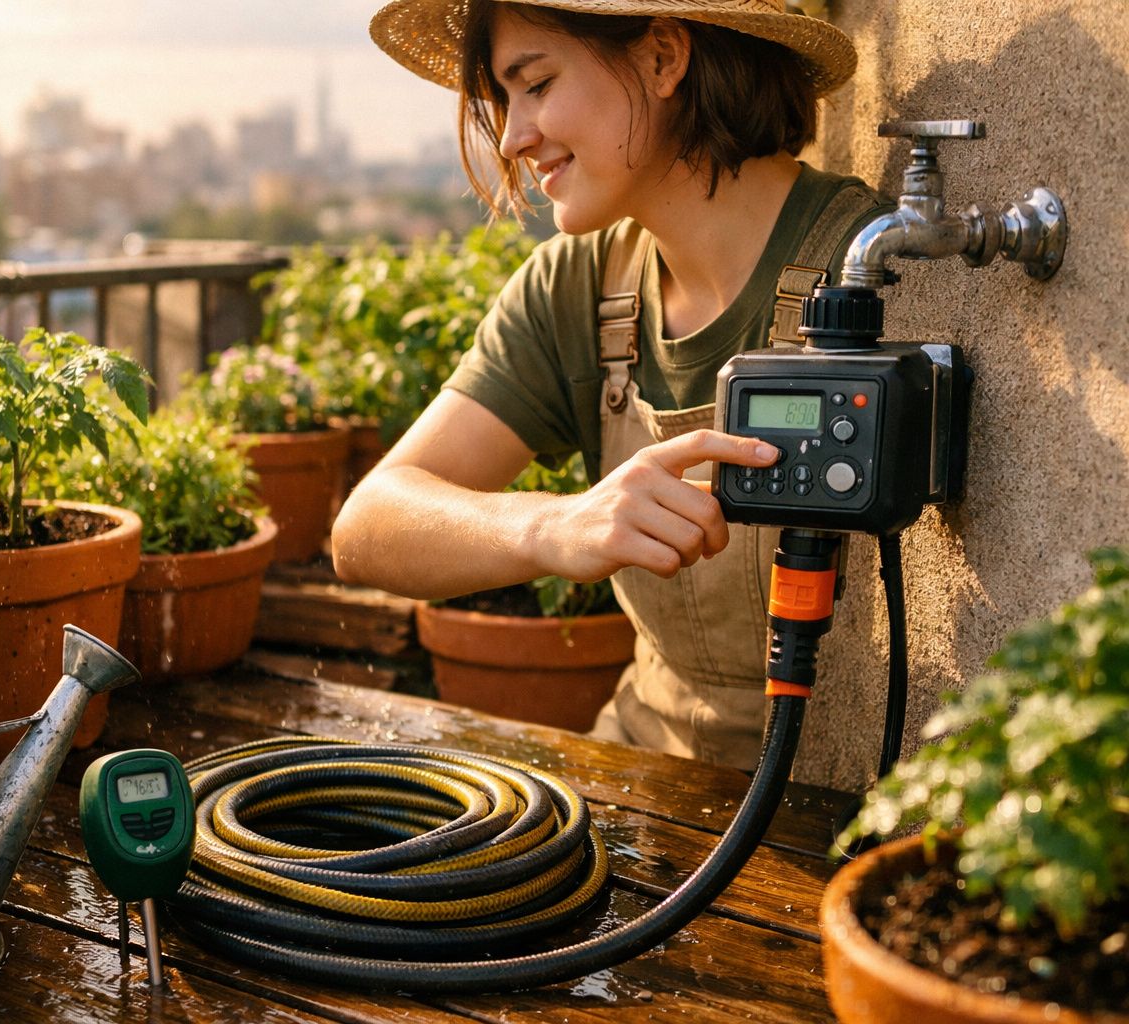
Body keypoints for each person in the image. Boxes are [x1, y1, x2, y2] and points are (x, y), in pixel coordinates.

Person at [332, 0, 889, 770]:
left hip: (846, 803)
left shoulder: (874, 269)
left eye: (536, 84)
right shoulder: (580, 285)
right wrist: (554, 526)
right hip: (643, 777)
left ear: (663, 57)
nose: (511, 138)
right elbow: (367, 529)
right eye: (505, 100)